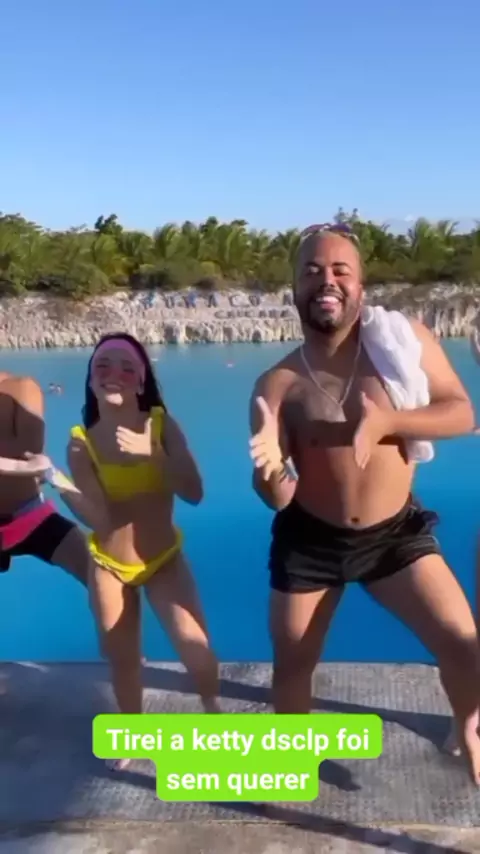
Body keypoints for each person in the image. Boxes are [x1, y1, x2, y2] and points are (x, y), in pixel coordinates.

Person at [248, 223, 480, 784]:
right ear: (294, 288)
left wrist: (388, 422)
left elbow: (461, 412)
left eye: (339, 270)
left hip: (394, 536)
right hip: (310, 541)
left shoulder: (404, 342)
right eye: (311, 271)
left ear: (360, 285)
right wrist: (270, 472)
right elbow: (277, 498)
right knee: (293, 665)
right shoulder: (276, 384)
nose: (325, 280)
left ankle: (469, 730)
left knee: (463, 645)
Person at [20, 332, 220, 770]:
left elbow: (195, 492)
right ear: (91, 379)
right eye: (103, 366)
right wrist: (54, 477)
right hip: (108, 564)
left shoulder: (163, 425)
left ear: (141, 380)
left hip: (163, 560)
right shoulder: (81, 442)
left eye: (127, 367)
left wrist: (155, 455)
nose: (114, 374)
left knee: (197, 651)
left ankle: (213, 711)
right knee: (122, 658)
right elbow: (100, 519)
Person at [0, 371, 89, 583]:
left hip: (27, 516)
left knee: (101, 573)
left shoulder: (22, 388)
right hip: (26, 509)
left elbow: (30, 457)